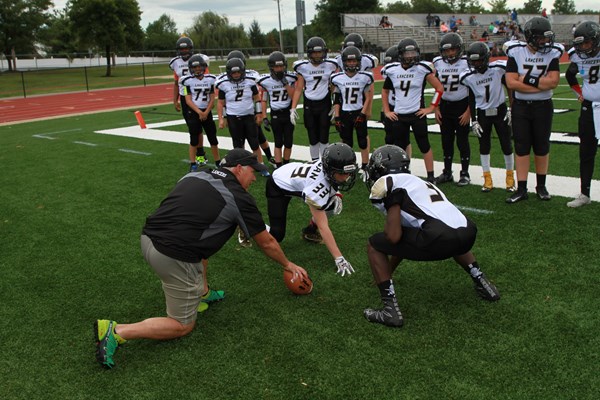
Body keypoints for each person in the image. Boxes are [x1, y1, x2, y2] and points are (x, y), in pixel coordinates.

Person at [94, 148, 309, 368]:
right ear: (239, 168)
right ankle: (117, 331)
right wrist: (287, 264)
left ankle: (203, 293)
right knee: (181, 325)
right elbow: (267, 242)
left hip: (148, 237)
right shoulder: (239, 197)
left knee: (201, 242)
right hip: (172, 256)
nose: (254, 178)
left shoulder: (197, 173)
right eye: (252, 171)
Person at [362, 145, 500, 327]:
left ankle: (390, 311)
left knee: (374, 244)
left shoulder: (391, 184)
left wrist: (384, 270)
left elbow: (393, 237)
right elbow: (404, 237)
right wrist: (388, 271)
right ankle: (483, 282)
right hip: (467, 233)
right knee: (448, 230)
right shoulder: (419, 182)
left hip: (438, 237)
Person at [266, 143, 358, 276]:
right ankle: (250, 224)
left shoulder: (328, 166)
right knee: (277, 235)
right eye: (342, 173)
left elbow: (330, 182)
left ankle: (309, 231)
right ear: (330, 170)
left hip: (294, 175)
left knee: (330, 205)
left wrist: (336, 194)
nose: (346, 177)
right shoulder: (317, 187)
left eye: (348, 172)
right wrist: (339, 257)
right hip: (277, 185)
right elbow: (323, 226)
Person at [504, 17, 564, 203]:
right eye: (541, 38)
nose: (545, 41)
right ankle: (522, 188)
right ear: (530, 37)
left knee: (541, 146)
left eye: (546, 37)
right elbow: (511, 82)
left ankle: (541, 186)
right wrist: (540, 85)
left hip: (543, 107)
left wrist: (527, 80)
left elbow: (553, 82)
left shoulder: (552, 53)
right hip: (521, 107)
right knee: (521, 147)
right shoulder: (516, 52)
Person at [381, 38, 444, 183]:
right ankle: (402, 173)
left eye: (413, 53)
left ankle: (430, 176)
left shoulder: (422, 69)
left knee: (424, 145)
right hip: (399, 115)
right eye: (407, 53)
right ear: (400, 54)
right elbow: (385, 91)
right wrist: (387, 111)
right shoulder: (393, 70)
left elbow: (439, 88)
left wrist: (431, 107)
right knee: (400, 147)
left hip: (417, 114)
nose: (411, 56)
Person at [460, 42, 516, 193]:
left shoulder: (497, 69)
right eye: (473, 61)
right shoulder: (468, 76)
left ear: (486, 58)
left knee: (506, 144)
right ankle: (487, 178)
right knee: (484, 146)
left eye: (479, 60)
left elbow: (509, 86)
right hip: (483, 113)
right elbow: (471, 98)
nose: (476, 64)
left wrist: (511, 108)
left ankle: (510, 177)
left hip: (500, 110)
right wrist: (474, 120)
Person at [217, 50, 275, 174]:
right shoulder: (223, 83)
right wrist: (222, 118)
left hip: (249, 116)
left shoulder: (250, 80)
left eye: (238, 72)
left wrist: (259, 113)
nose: (236, 75)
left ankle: (261, 166)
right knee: (238, 145)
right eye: (233, 72)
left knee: (254, 143)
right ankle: (242, 168)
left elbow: (257, 98)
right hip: (233, 117)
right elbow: (221, 102)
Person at [565, 21, 600, 207]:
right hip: (588, 108)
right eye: (581, 44)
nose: (584, 47)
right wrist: (579, 93)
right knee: (586, 151)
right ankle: (584, 194)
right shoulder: (577, 56)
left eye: (587, 42)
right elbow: (570, 75)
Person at [433, 33, 472, 186]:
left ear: (459, 49)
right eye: (447, 50)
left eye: (453, 50)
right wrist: (436, 107)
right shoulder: (438, 63)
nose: (450, 53)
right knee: (446, 141)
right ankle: (447, 172)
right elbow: (437, 87)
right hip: (445, 106)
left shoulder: (467, 62)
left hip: (462, 105)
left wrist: (469, 111)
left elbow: (473, 88)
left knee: (462, 141)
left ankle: (465, 173)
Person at [291, 37, 339, 160]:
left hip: (325, 104)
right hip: (309, 104)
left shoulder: (330, 65)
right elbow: (298, 88)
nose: (317, 55)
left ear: (324, 52)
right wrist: (293, 108)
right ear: (309, 53)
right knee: (312, 137)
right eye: (315, 52)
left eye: (320, 52)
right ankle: (314, 163)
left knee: (324, 136)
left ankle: (324, 162)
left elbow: (335, 86)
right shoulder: (303, 67)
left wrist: (335, 104)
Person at [169, 36, 211, 166]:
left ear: (191, 48)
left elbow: (207, 79)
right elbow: (176, 82)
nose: (184, 51)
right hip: (185, 97)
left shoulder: (199, 60)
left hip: (198, 97)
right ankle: (199, 154)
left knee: (199, 128)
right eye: (182, 49)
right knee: (193, 129)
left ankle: (200, 154)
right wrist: (175, 100)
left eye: (186, 48)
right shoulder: (175, 62)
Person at [331, 46, 374, 169]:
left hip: (358, 111)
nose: (351, 63)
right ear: (344, 62)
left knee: (362, 141)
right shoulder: (338, 78)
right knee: (347, 141)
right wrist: (337, 117)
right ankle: (348, 164)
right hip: (345, 113)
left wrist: (362, 114)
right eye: (349, 61)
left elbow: (368, 97)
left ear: (359, 61)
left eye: (354, 61)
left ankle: (365, 165)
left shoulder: (364, 77)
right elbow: (337, 100)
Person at [178, 54, 221, 171]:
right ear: (191, 68)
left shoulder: (210, 79)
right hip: (194, 112)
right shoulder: (186, 81)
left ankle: (218, 161)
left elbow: (212, 98)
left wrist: (206, 112)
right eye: (195, 67)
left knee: (213, 138)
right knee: (194, 139)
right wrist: (199, 112)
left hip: (206, 111)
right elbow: (188, 100)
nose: (197, 69)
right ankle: (193, 163)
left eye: (199, 67)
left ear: (204, 66)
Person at [257, 51, 297, 168]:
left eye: (281, 66)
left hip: (288, 113)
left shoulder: (290, 78)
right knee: (278, 142)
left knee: (288, 142)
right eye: (276, 66)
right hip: (276, 114)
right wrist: (264, 117)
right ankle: (279, 166)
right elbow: (264, 99)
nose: (279, 69)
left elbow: (293, 96)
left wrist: (285, 83)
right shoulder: (266, 81)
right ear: (271, 67)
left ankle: (286, 165)